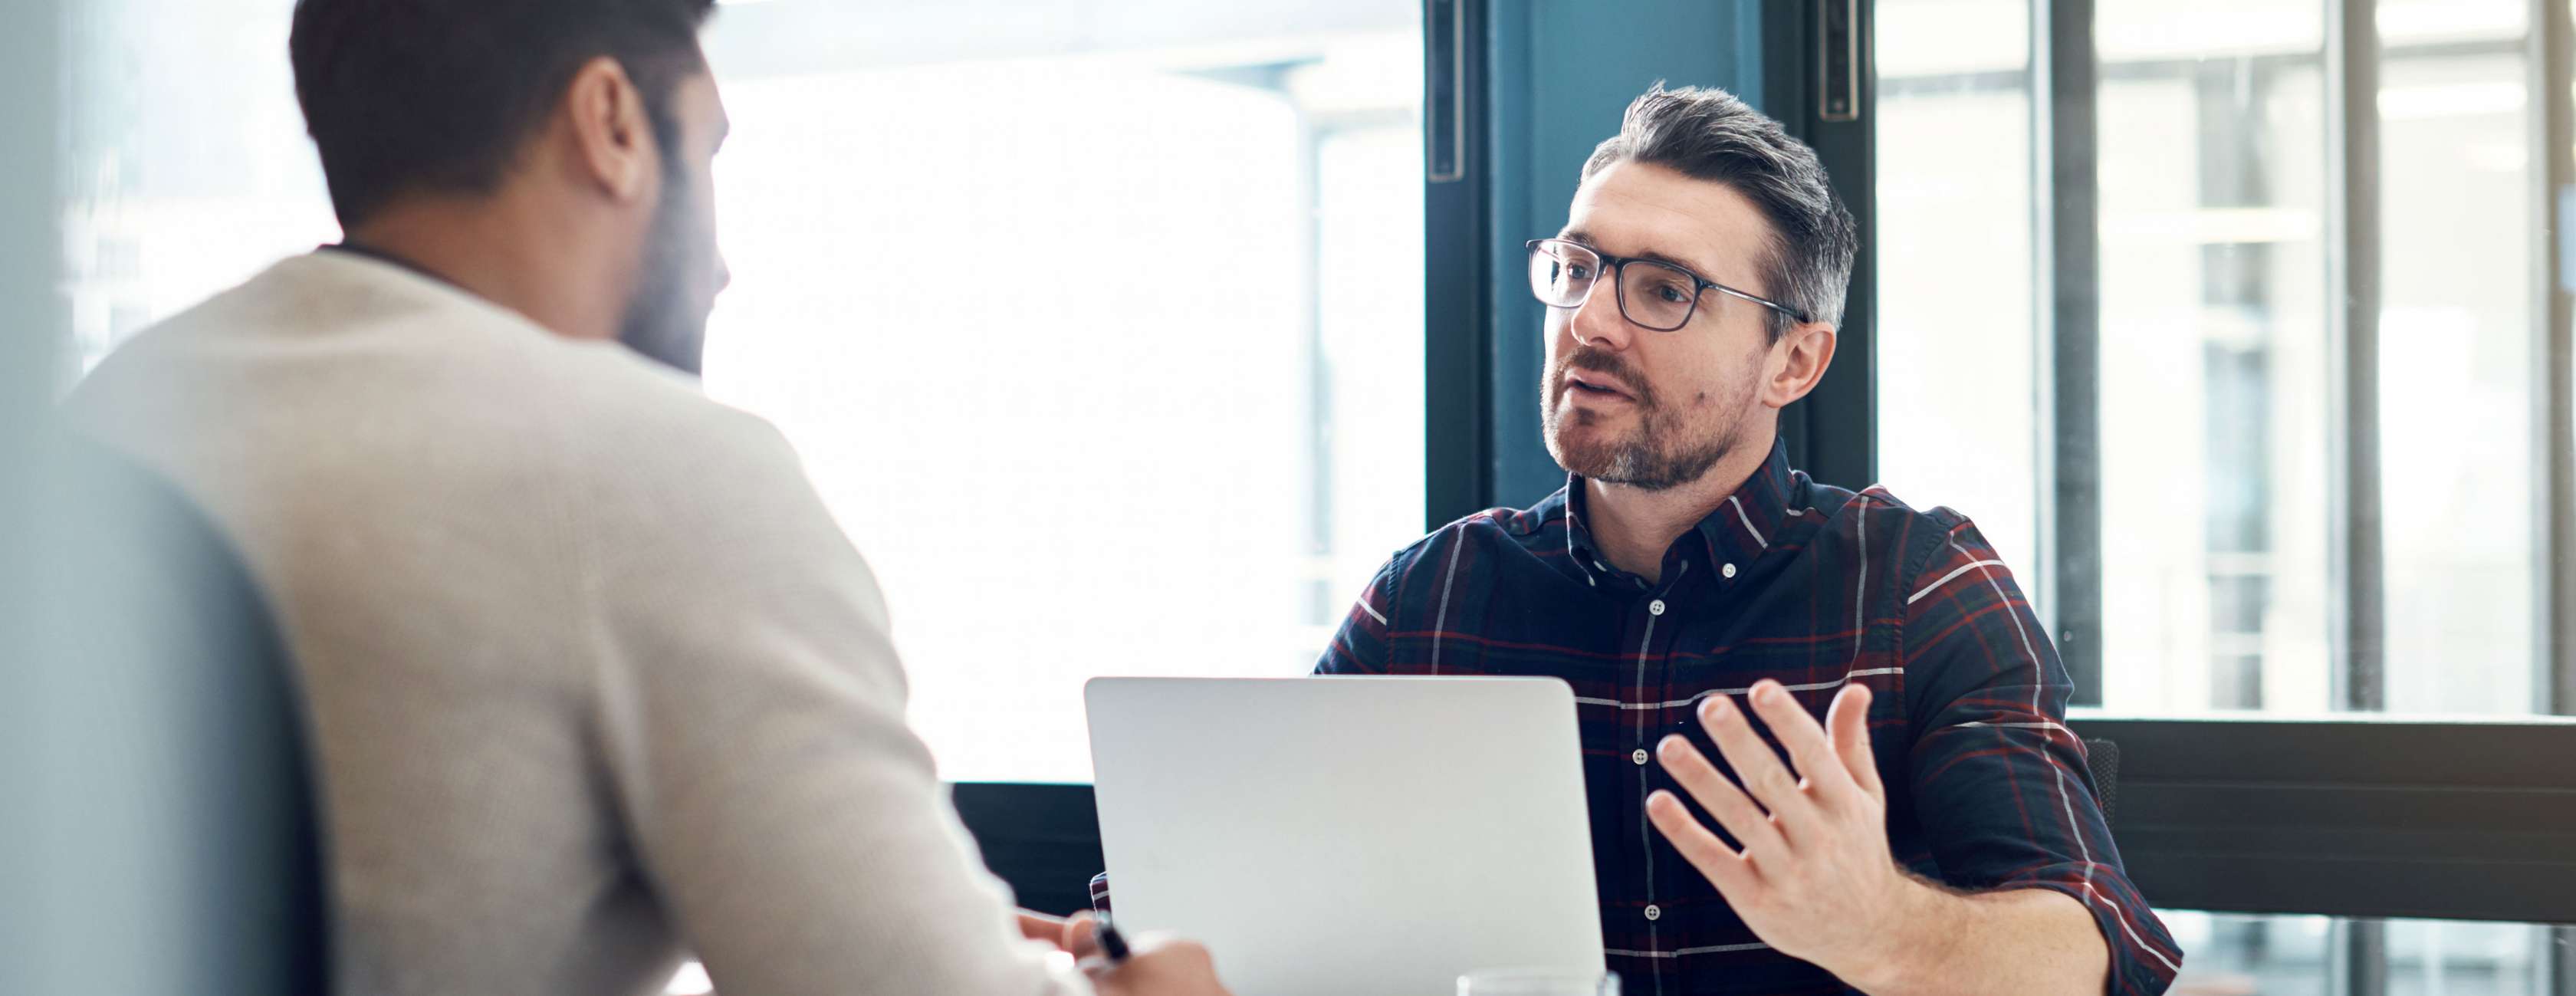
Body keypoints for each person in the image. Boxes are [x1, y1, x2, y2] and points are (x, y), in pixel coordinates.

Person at [63, 2, 1226, 994]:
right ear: (612, 124)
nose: (721, 267)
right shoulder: (642, 467)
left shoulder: (114, 413)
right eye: (708, 153)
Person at [1315, 85, 2183, 995]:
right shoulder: (1428, 599)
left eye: (1665, 290)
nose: (1590, 322)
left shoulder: (1917, 587)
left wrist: (1882, 927)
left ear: (1793, 362)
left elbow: (2097, 954)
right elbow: (1274, 889)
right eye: (1577, 269)